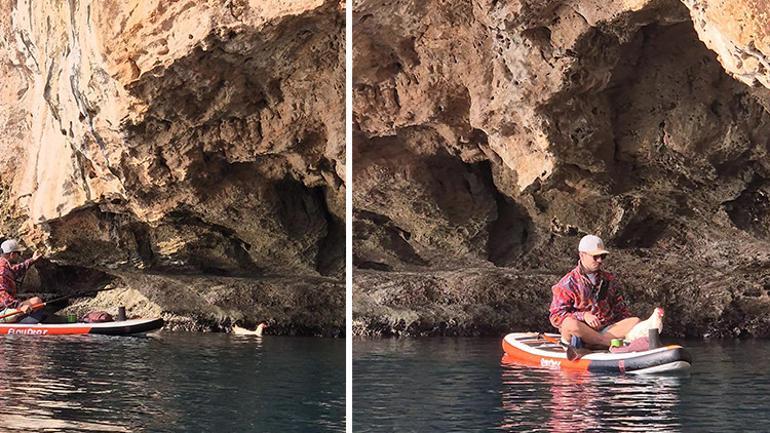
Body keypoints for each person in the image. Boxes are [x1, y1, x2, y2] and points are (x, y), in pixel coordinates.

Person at [549, 235, 640, 348]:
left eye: (602, 256)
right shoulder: (567, 283)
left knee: (635, 321)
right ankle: (604, 343)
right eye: (595, 256)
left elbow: (620, 310)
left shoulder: (609, 279)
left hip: (606, 330)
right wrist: (583, 316)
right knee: (569, 324)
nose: (600, 260)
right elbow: (556, 316)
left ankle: (598, 342)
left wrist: (631, 328)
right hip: (581, 333)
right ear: (582, 255)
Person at [0, 239, 44, 323]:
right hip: (2, 311)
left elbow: (16, 270)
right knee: (36, 301)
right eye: (18, 253)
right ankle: (24, 325)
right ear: (12, 254)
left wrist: (32, 260)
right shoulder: (2, 271)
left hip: (5, 307)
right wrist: (20, 306)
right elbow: (2, 294)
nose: (19, 256)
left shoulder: (4, 266)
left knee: (35, 302)